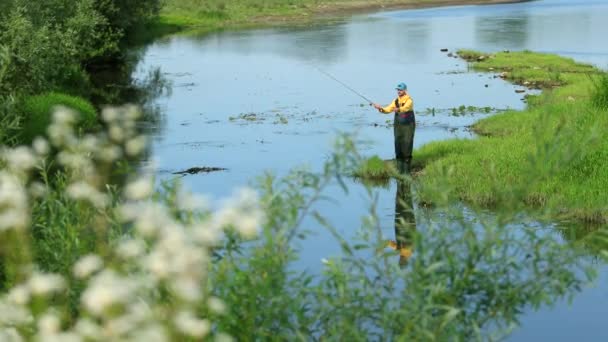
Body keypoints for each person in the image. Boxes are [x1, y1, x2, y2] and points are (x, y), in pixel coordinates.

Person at [372, 83, 416, 174]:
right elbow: (388, 109)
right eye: (398, 90)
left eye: (400, 90)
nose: (399, 91)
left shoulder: (409, 100)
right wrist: (380, 109)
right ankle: (400, 172)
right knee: (398, 145)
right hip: (398, 127)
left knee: (407, 146)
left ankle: (406, 172)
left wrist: (398, 109)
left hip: (408, 126)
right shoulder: (395, 101)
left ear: (405, 90)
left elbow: (406, 108)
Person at [387, 180, 416, 267]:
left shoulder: (411, 250)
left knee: (407, 199)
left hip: (410, 222)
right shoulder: (402, 251)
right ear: (402, 260)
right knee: (402, 200)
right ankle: (402, 180)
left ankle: (405, 180)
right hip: (403, 222)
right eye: (400, 261)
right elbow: (390, 244)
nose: (400, 259)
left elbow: (390, 244)